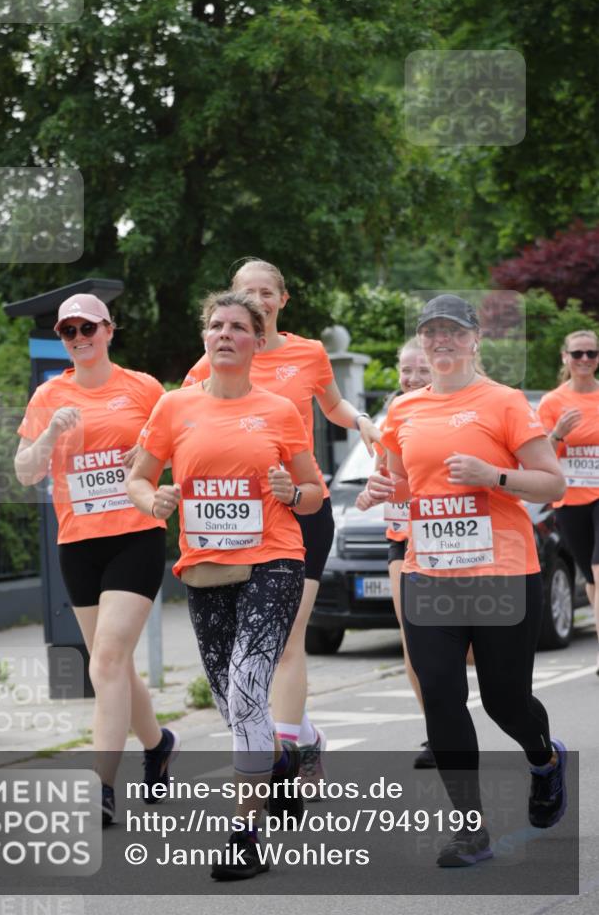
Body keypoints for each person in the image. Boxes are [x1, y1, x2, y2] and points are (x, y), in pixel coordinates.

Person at [358, 293, 567, 868]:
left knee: (504, 701)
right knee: (442, 699)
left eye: (453, 331)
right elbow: (401, 484)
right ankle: (469, 829)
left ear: (476, 339)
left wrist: (493, 475)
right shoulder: (403, 410)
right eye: (431, 333)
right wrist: (380, 492)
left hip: (501, 572)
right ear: (422, 341)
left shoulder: (502, 403)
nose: (441, 341)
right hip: (430, 574)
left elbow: (553, 485)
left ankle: (544, 760)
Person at [127, 289, 323, 881]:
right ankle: (285, 758)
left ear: (257, 341)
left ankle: (245, 835)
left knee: (245, 689)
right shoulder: (173, 408)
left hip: (275, 560)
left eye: (239, 327)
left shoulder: (281, 411)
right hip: (206, 567)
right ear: (204, 337)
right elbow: (137, 476)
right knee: (230, 702)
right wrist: (153, 499)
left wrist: (295, 493)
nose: (226, 335)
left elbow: (313, 492)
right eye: (216, 325)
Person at [183, 258, 380, 789]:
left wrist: (362, 420)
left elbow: (333, 404)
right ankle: (302, 736)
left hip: (299, 508)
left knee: (291, 636)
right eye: (249, 291)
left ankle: (285, 755)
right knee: (242, 659)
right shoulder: (211, 362)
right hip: (234, 525)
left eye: (268, 292)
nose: (260, 299)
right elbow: (180, 421)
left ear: (282, 300)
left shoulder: (308, 353)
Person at [14, 293, 178, 826]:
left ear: (109, 329)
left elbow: (179, 443)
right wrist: (47, 434)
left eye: (89, 327)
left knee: (104, 661)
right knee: (113, 664)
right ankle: (157, 743)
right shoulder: (49, 394)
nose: (80, 338)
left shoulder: (143, 388)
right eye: (69, 331)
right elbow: (24, 471)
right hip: (78, 543)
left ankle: (101, 787)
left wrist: (150, 458)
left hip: (135, 534)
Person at [357, 338, 435, 767]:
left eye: (421, 369)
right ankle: (437, 731)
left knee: (462, 641)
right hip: (402, 536)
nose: (412, 378)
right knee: (413, 636)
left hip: (446, 539)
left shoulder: (452, 412)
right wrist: (371, 494)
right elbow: (381, 476)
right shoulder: (393, 418)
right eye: (406, 370)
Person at [538, 330, 599, 671]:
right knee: (591, 579)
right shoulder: (552, 403)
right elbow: (541, 457)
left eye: (592, 353)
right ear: (565, 358)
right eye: (578, 354)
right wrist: (558, 432)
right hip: (571, 499)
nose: (585, 360)